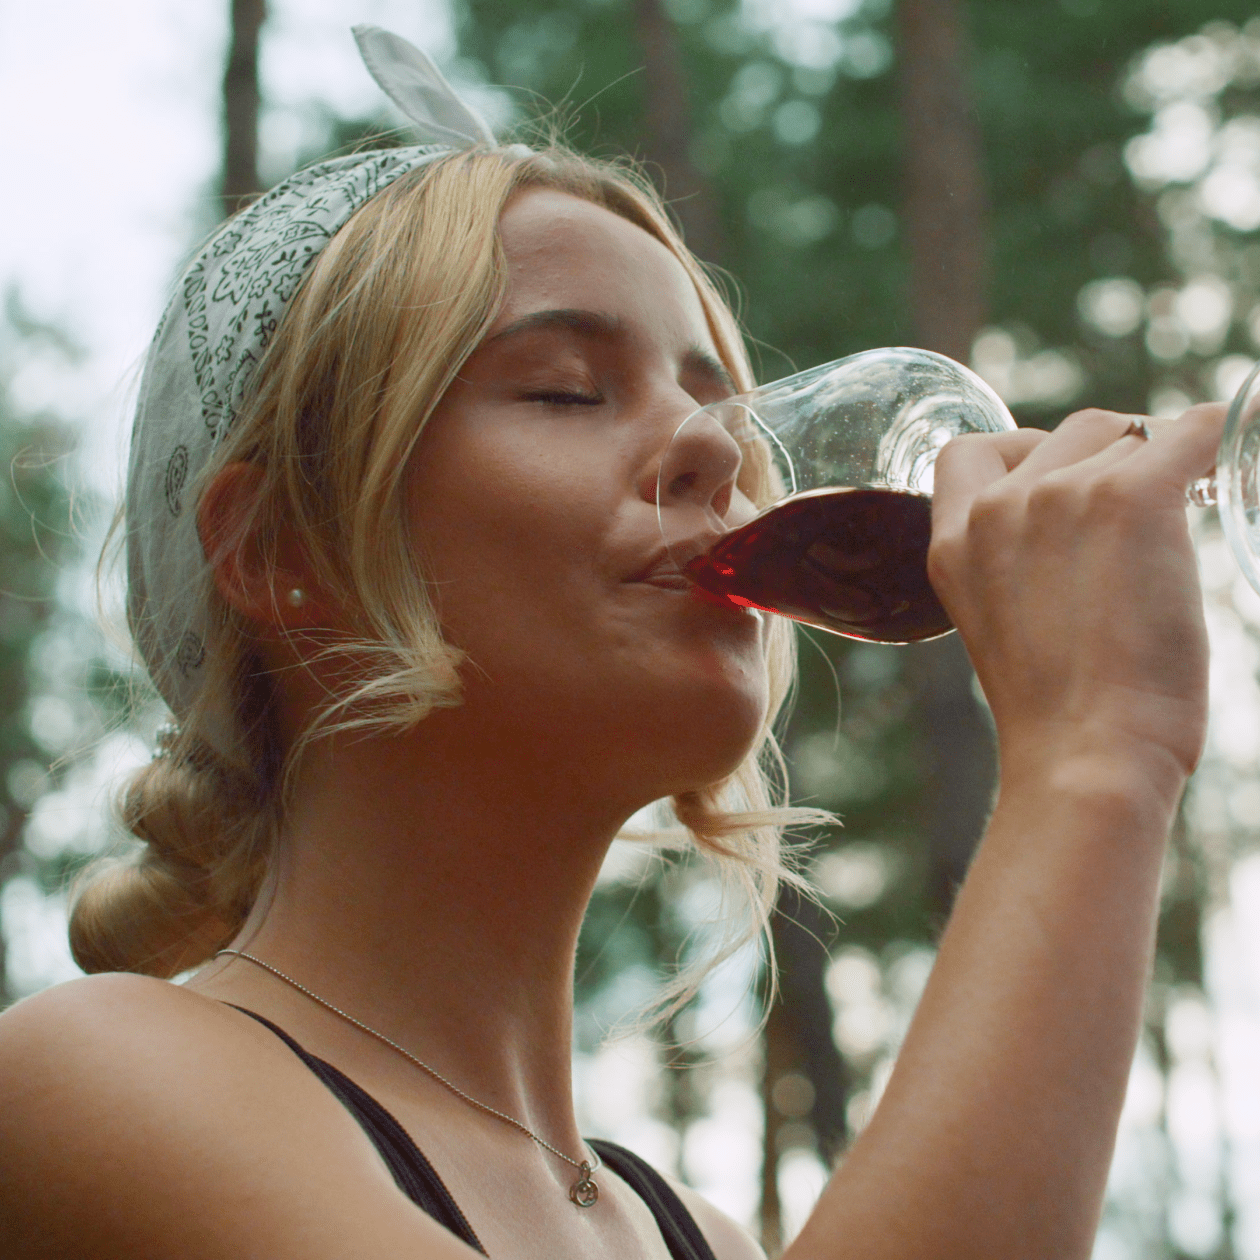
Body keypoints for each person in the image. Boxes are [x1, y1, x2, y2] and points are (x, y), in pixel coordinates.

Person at [0, 27, 1226, 1260]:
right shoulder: (87, 1082)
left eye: (711, 396)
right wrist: (1094, 760)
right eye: (566, 390)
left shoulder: (701, 1234)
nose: (720, 450)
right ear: (279, 551)